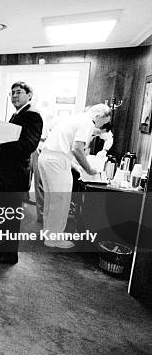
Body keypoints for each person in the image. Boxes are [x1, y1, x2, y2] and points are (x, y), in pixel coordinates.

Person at [38, 104, 112, 248]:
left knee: (52, 199)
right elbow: (77, 148)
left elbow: (68, 147)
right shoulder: (88, 122)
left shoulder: (76, 118)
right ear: (99, 116)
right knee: (61, 200)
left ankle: (48, 232)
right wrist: (89, 169)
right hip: (57, 161)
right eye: (104, 122)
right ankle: (53, 238)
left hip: (47, 157)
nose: (103, 125)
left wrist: (77, 167)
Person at [0, 82, 43, 264]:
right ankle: (1, 244)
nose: (14, 96)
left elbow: (29, 145)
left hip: (16, 174)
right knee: (0, 210)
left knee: (9, 214)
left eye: (18, 92)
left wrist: (0, 147)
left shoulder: (32, 116)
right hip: (8, 172)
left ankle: (8, 254)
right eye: (11, 93)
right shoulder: (17, 114)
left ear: (29, 95)